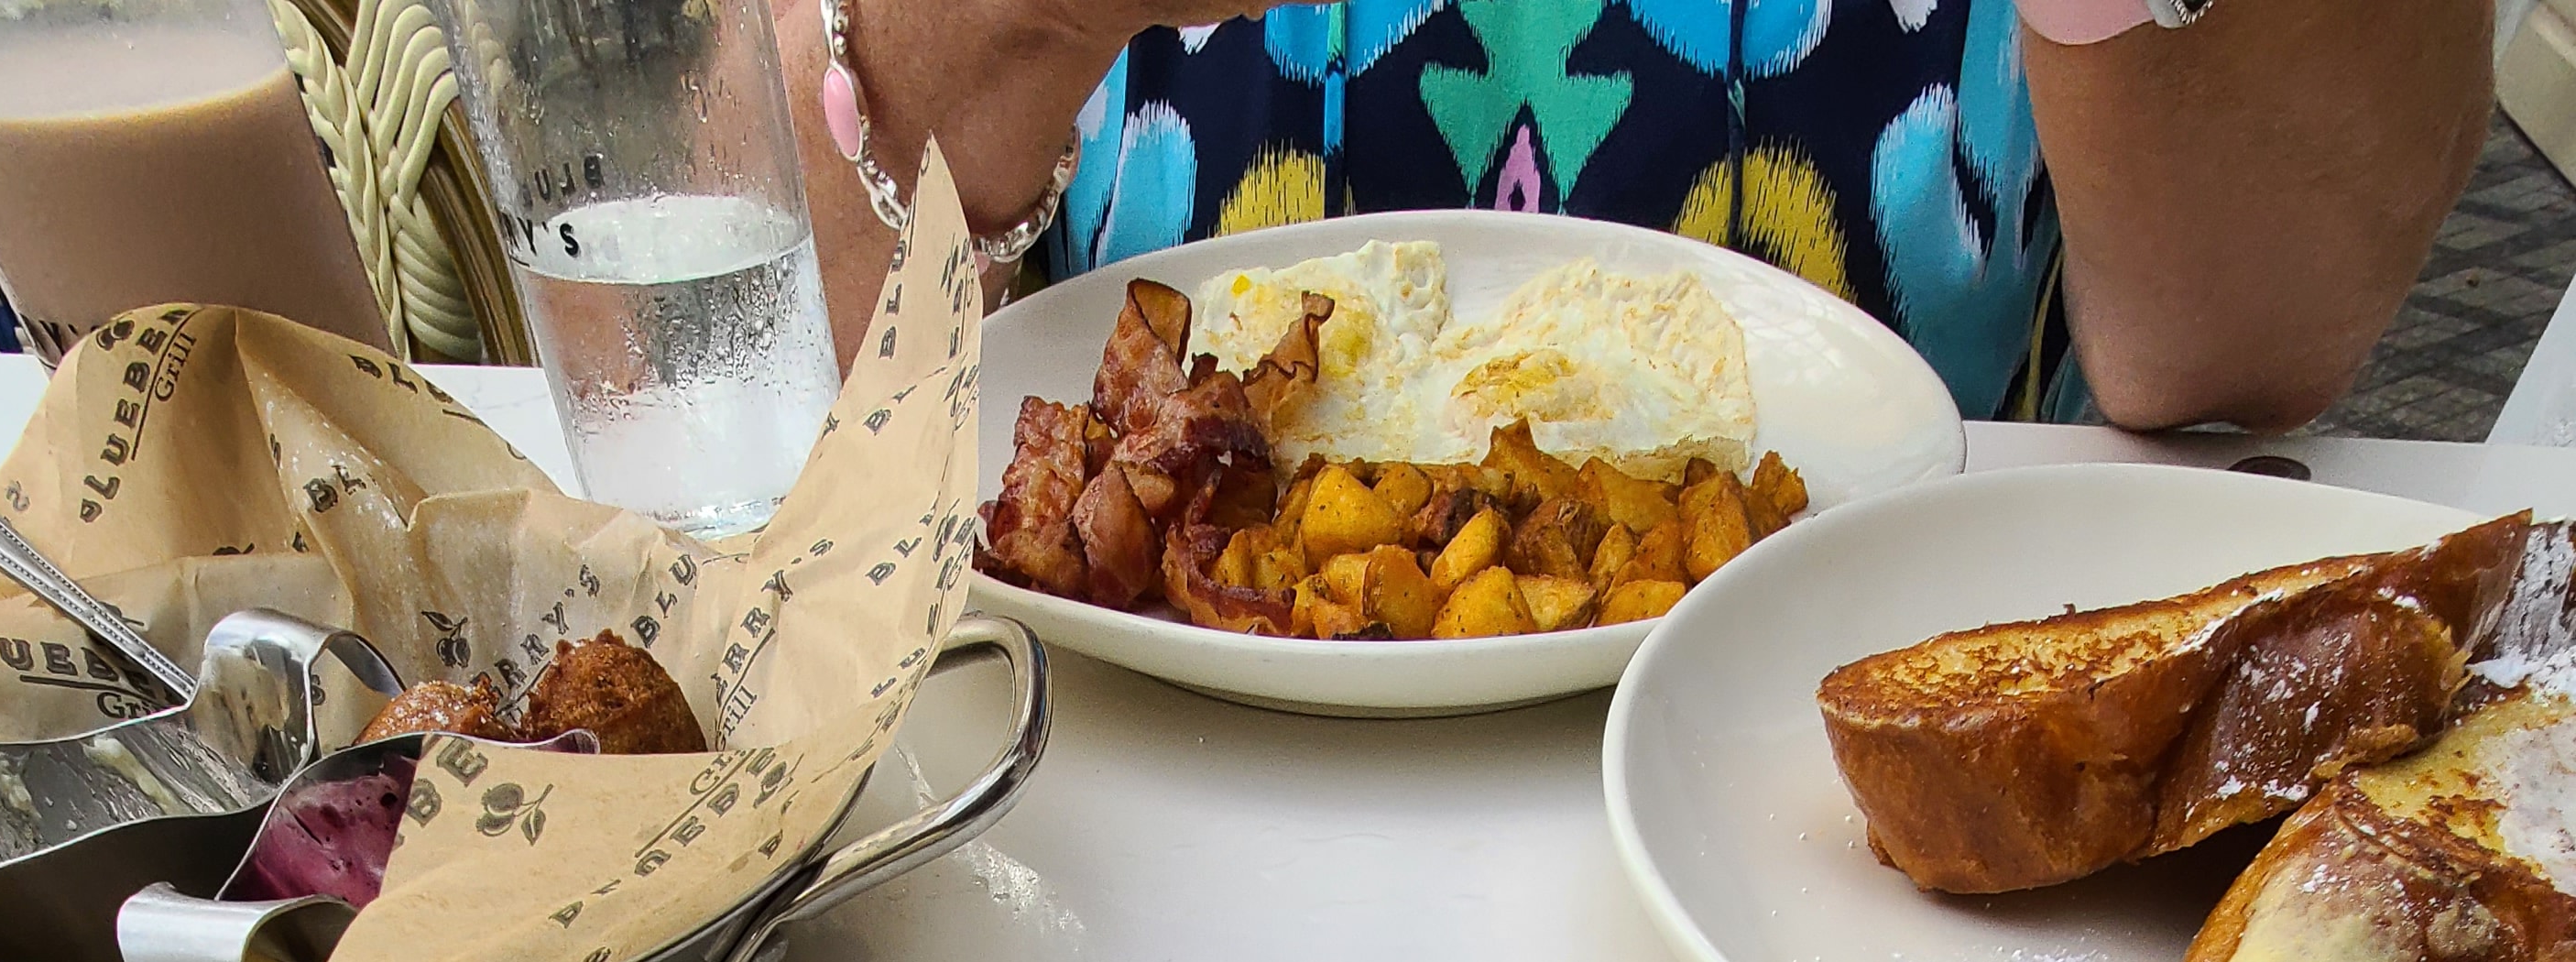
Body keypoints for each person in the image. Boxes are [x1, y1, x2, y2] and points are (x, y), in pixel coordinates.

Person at [775, 1, 2492, 432]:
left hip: (1894, 814)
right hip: (1113, 806)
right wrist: (986, 29)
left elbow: (2251, 348)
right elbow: (739, 370)